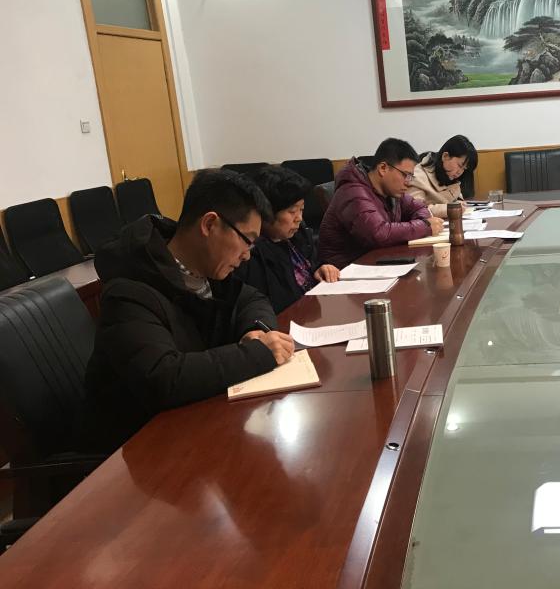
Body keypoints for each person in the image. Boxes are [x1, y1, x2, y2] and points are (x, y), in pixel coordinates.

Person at [84, 169, 295, 451]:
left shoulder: (205, 271)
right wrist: (257, 353)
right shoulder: (130, 290)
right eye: (247, 240)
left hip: (197, 424)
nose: (247, 255)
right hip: (135, 450)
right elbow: (164, 378)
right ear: (210, 224)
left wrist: (255, 330)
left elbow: (251, 299)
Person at [318, 138, 445, 267]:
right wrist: (425, 226)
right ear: (383, 168)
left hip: (376, 262)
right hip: (344, 271)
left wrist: (424, 222)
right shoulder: (353, 192)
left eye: (411, 177)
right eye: (405, 175)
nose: (408, 182)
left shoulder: (391, 191)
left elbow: (419, 208)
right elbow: (378, 234)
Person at [234, 165, 341, 313]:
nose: (299, 218)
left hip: (314, 310)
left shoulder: (297, 234)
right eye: (292, 211)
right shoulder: (252, 254)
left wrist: (321, 268)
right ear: (266, 212)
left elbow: (313, 261)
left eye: (301, 209)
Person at [407, 134, 479, 217]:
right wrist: (449, 209)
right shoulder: (417, 175)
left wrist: (460, 203)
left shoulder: (451, 178)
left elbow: (458, 200)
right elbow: (416, 211)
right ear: (445, 156)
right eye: (459, 165)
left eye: (464, 169)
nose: (460, 172)